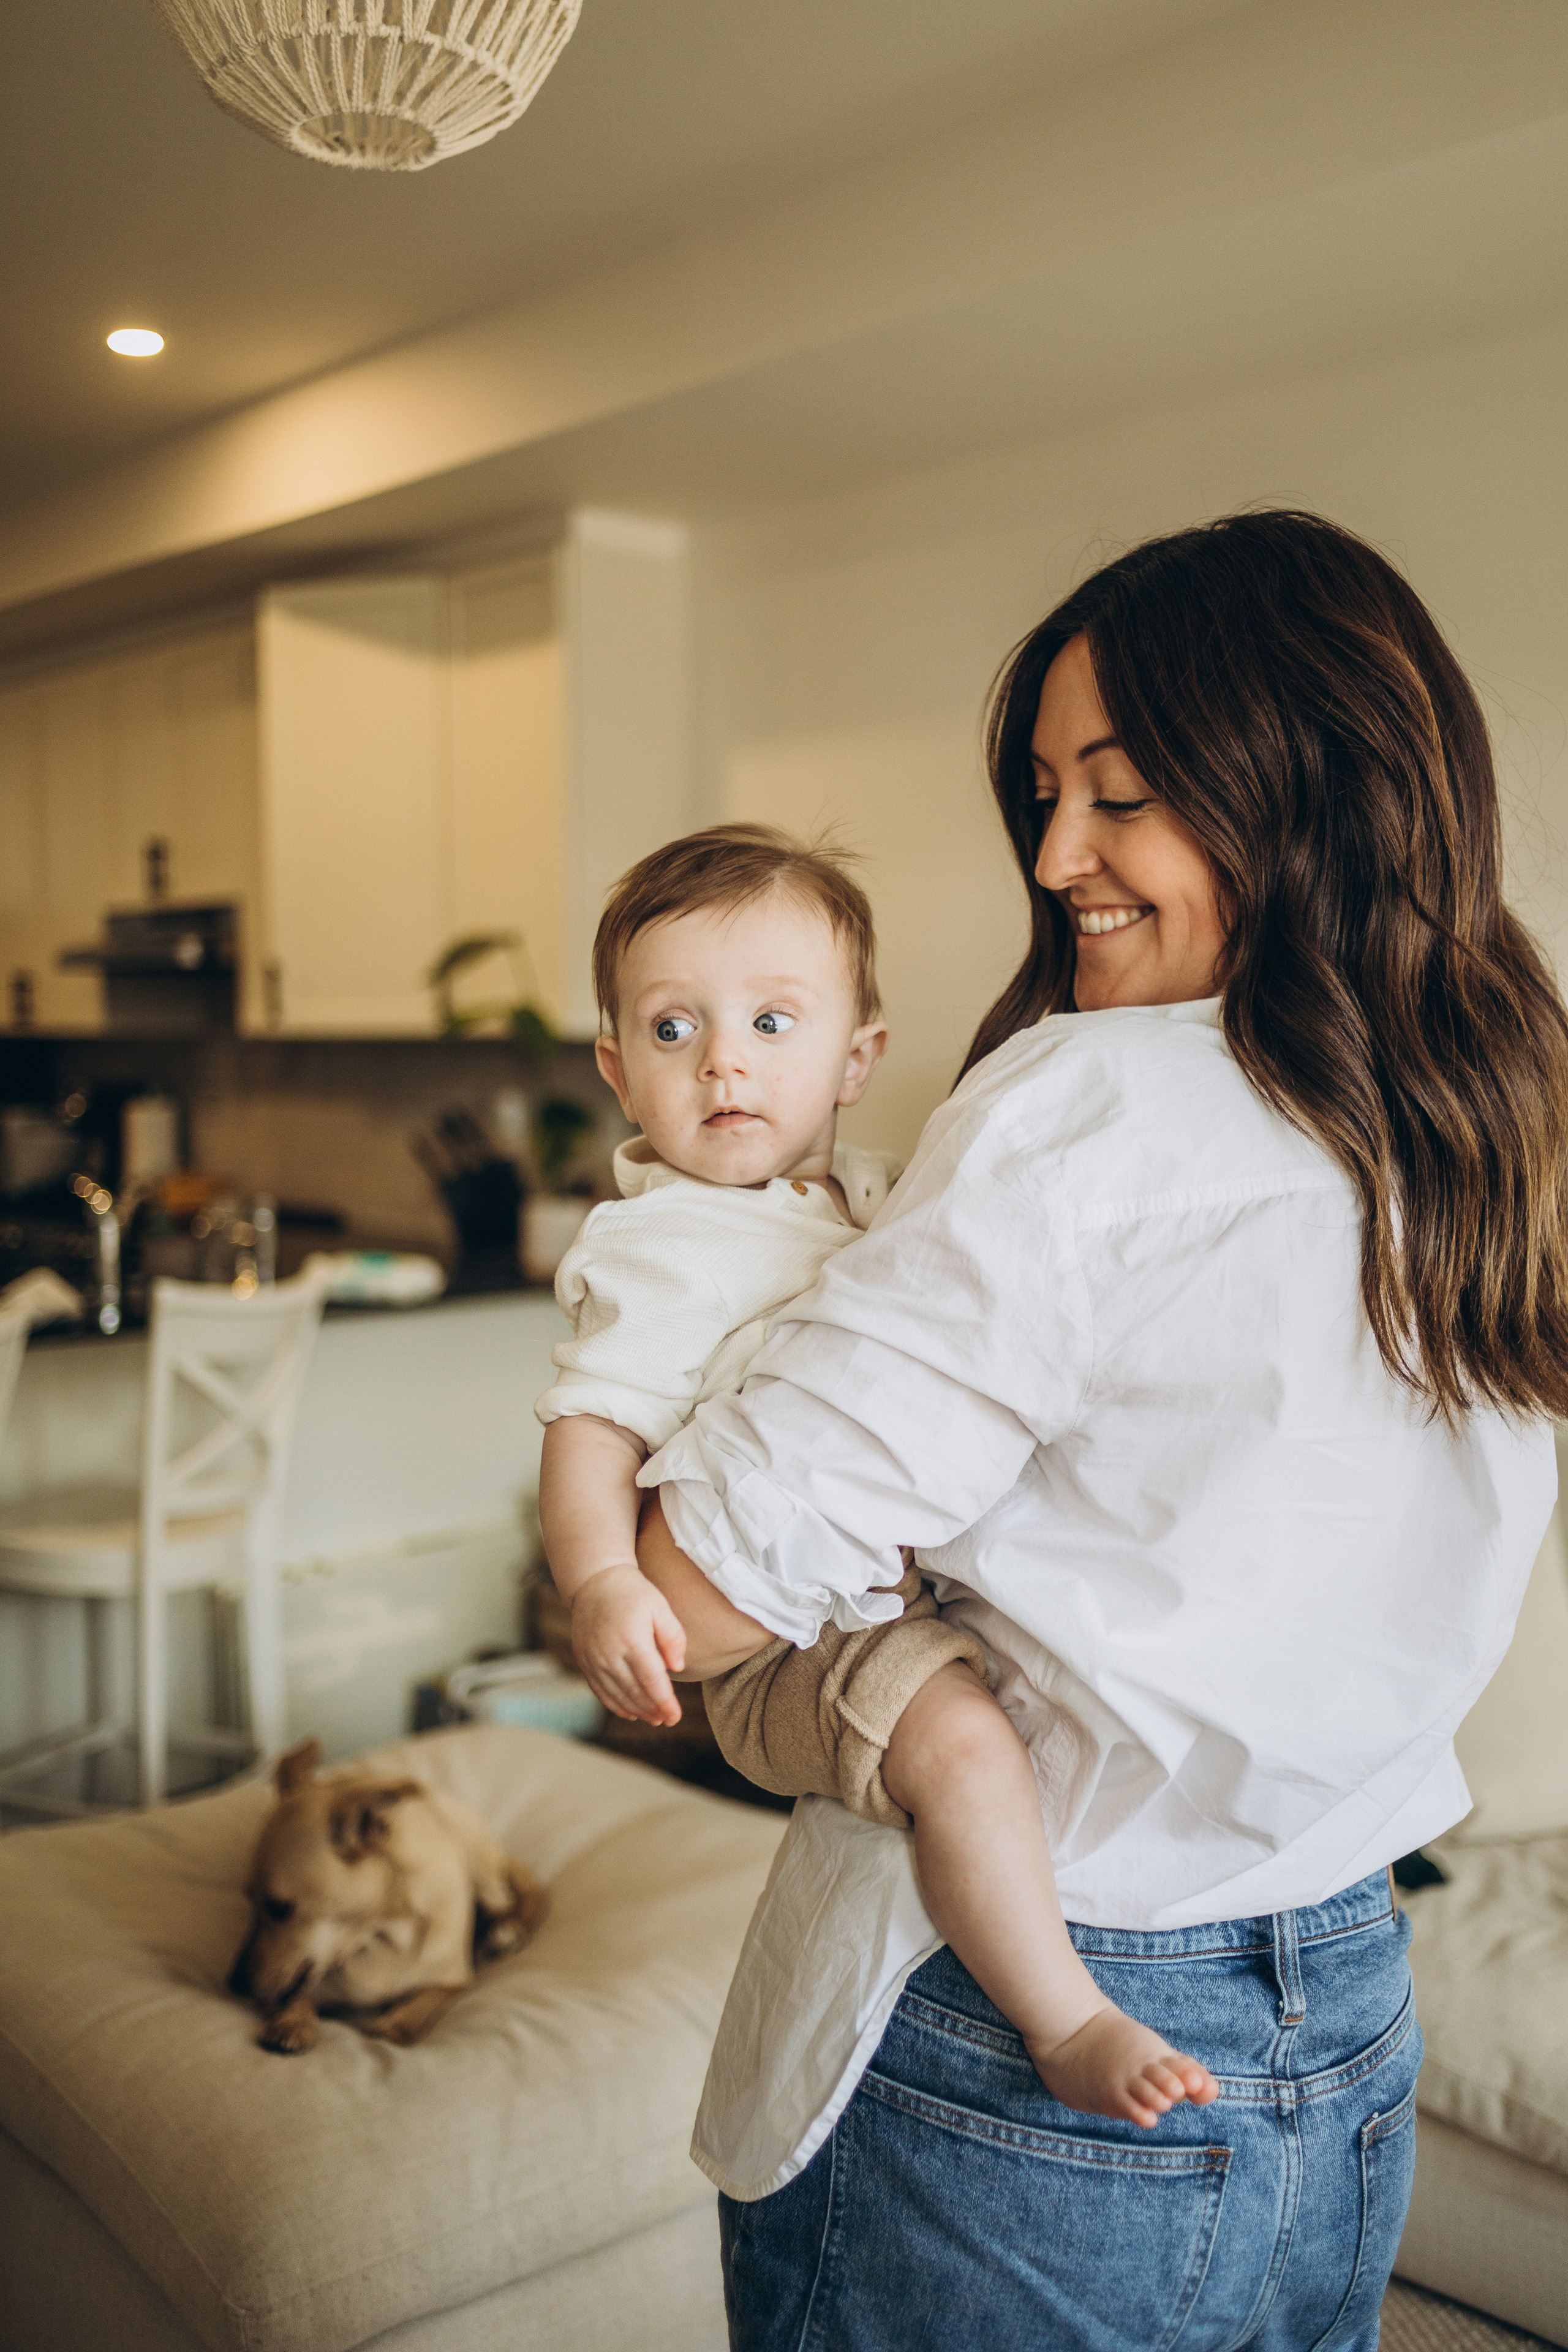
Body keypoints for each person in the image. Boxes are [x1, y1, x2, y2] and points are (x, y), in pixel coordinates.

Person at [625, 513, 1568, 2350]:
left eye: (1120, 794)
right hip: (1353, 1999)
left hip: (1028, 2021)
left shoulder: (1093, 1105)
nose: (1057, 857)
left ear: (1301, 786)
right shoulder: (1496, 1105)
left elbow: (701, 1595)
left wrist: (620, 1485)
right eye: (1046, 795)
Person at [537, 821, 1217, 2125]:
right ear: (620, 1073)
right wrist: (601, 1583)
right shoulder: (654, 1245)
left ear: (857, 1057)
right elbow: (590, 1432)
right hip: (773, 1646)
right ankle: (1063, 2014)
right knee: (962, 1747)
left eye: (772, 1023)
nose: (724, 1058)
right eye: (674, 1032)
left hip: (873, 1588)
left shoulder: (877, 1190)